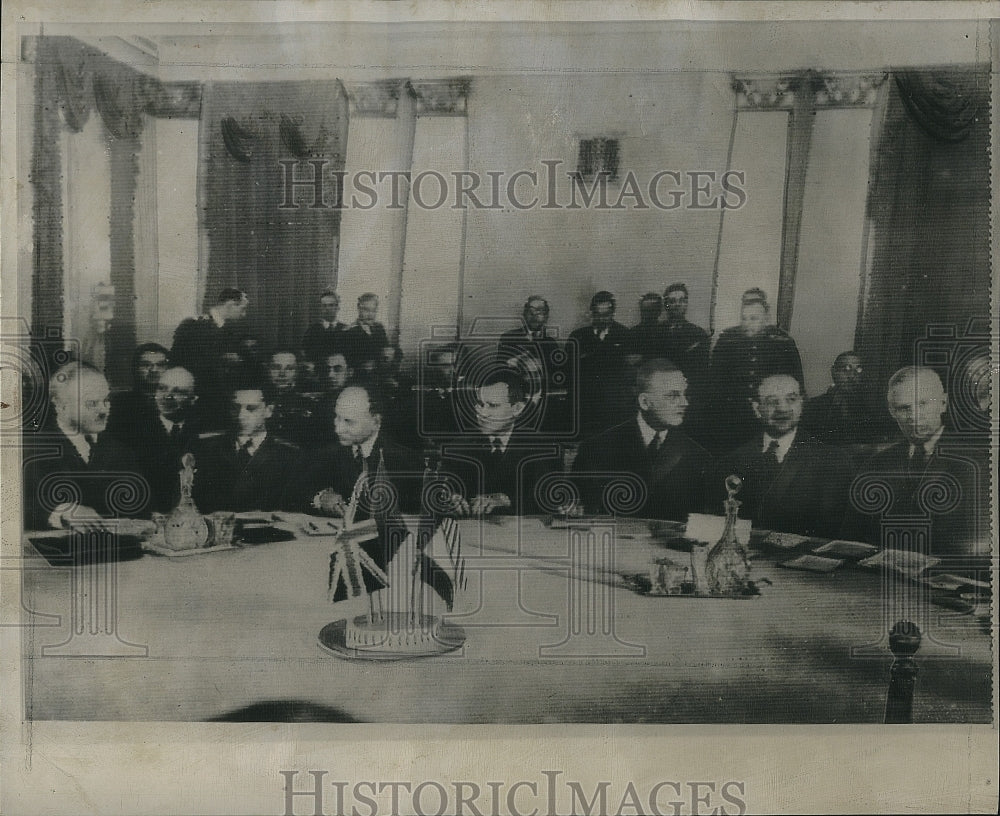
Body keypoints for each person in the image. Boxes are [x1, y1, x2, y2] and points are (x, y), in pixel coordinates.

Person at [842, 366, 989, 558]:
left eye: (923, 404)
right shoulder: (876, 464)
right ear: (892, 411)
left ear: (943, 403)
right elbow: (850, 537)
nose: (914, 416)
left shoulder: (978, 464)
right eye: (904, 408)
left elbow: (982, 548)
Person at [715, 373, 851, 539]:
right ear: (756, 408)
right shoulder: (731, 462)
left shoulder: (832, 461)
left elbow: (831, 532)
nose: (782, 409)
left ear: (802, 403)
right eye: (772, 401)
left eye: (791, 399)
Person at [572, 358, 711, 520]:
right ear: (645, 402)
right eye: (673, 396)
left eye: (684, 394)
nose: (684, 403)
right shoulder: (596, 450)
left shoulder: (698, 457)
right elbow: (579, 517)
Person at [23, 362, 147, 530]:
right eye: (92, 403)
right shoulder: (31, 449)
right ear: (60, 405)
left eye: (106, 401)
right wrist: (63, 511)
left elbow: (140, 510)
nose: (104, 411)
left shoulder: (120, 451)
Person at [285, 383, 423, 519]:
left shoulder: (406, 462)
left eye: (349, 422)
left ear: (375, 421)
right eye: (337, 418)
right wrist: (320, 498)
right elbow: (294, 493)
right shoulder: (327, 454)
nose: (338, 429)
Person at [440, 369, 561, 516]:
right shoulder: (457, 448)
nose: (483, 414)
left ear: (517, 408)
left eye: (493, 405)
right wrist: (450, 499)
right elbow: (443, 491)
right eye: (480, 404)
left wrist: (507, 500)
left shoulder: (543, 447)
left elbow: (549, 500)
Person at [705, 288, 803, 452]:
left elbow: (797, 383)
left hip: (770, 414)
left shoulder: (783, 342)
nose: (748, 324)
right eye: (744, 319)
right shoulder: (727, 340)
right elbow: (715, 383)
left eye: (754, 319)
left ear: (765, 319)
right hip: (733, 416)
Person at [190, 380, 300, 513]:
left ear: (268, 411)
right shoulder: (207, 448)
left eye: (251, 409)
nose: (241, 416)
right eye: (235, 408)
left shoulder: (289, 455)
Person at [170, 288, 252, 431]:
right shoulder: (193, 326)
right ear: (230, 304)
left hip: (219, 402)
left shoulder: (228, 330)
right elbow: (182, 364)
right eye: (242, 309)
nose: (244, 315)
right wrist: (223, 360)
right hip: (198, 402)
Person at [498, 296, 570, 433]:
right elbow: (499, 372)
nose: (535, 316)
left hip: (541, 403)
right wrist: (514, 364)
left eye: (540, 312)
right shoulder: (508, 338)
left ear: (546, 316)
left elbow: (556, 377)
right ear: (524, 314)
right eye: (531, 311)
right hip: (514, 400)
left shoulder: (550, 344)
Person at [136, 366, 202, 512]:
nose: (167, 396)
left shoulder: (201, 433)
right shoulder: (136, 432)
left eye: (178, 392)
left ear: (193, 399)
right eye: (162, 389)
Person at [567, 291, 632, 436]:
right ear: (591, 313)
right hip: (585, 408)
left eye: (606, 315)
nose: (602, 319)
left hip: (615, 408)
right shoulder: (577, 337)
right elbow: (569, 373)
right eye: (597, 314)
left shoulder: (625, 335)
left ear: (613, 313)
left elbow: (628, 374)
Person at [800, 351, 882, 450]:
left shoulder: (869, 410)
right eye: (846, 369)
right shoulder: (813, 407)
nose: (852, 376)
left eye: (858, 370)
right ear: (834, 371)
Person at [106, 342, 170, 448]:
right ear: (136, 369)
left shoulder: (179, 401)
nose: (154, 370)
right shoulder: (120, 404)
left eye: (160, 365)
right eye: (146, 365)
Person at [660, 283, 710, 386]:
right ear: (666, 305)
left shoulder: (699, 334)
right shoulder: (655, 332)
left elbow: (701, 372)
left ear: (686, 304)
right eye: (672, 301)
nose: (677, 304)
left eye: (682, 300)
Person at [264, 349, 316, 447]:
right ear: (267, 370)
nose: (282, 374)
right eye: (276, 368)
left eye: (289, 368)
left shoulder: (309, 404)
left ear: (297, 372)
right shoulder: (257, 401)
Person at [342, 293, 389, 373]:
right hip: (359, 375)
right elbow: (346, 361)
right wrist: (362, 365)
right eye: (366, 310)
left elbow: (386, 351)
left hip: (379, 373)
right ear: (359, 308)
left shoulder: (380, 329)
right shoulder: (349, 332)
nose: (370, 315)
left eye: (373, 310)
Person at [300, 289, 347, 366]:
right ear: (321, 308)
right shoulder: (312, 331)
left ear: (338, 307)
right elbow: (305, 354)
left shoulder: (346, 330)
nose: (327, 309)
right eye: (324, 306)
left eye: (331, 305)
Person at [626, 292, 664, 362]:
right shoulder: (633, 333)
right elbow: (631, 360)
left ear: (659, 311)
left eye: (652, 310)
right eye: (645, 310)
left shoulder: (665, 332)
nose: (647, 315)